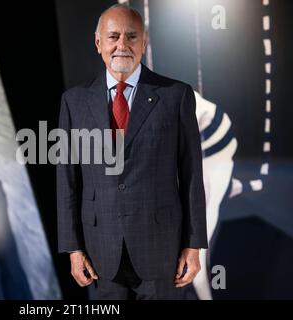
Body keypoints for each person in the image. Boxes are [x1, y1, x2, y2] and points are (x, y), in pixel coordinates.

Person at [57, 4, 208, 300]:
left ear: (145, 41)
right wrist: (73, 248)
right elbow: (67, 180)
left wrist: (193, 245)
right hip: (99, 252)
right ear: (98, 42)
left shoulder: (176, 96)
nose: (121, 45)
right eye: (113, 36)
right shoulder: (73, 102)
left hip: (162, 252)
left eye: (131, 37)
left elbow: (192, 174)